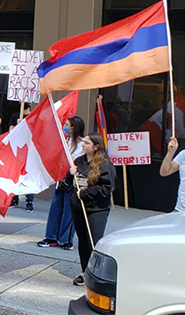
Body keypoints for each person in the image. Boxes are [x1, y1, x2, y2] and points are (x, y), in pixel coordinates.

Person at [59, 133, 115, 286]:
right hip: (78, 207)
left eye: (87, 143)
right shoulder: (79, 161)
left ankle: (96, 273)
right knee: (83, 240)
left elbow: (106, 189)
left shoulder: (105, 165)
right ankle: (85, 271)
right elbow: (68, 184)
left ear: (96, 146)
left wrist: (85, 193)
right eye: (83, 142)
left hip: (96, 209)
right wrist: (69, 174)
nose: (83, 145)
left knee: (93, 241)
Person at [38, 116, 84, 250]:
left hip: (73, 180)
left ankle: (66, 239)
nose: (65, 127)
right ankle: (51, 237)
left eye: (67, 125)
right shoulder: (65, 141)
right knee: (55, 207)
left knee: (69, 210)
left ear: (74, 128)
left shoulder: (82, 144)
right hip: (60, 178)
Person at [8, 105, 34, 212]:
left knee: (28, 175)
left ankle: (29, 200)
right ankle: (14, 198)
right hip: (18, 149)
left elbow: (35, 132)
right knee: (16, 174)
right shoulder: (15, 116)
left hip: (30, 150)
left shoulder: (34, 116)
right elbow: (10, 131)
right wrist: (18, 126)